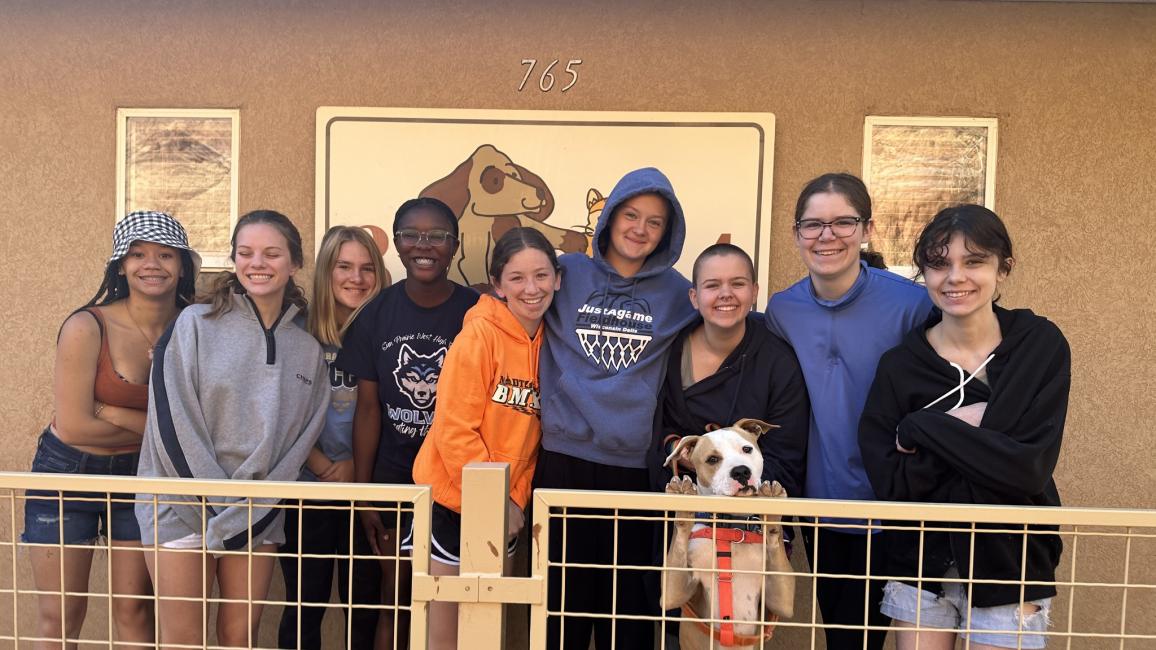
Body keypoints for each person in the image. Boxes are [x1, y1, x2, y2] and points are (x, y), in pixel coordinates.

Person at [859, 205, 1068, 650]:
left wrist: (922, 428)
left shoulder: (1038, 346)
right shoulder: (901, 367)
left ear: (1003, 268)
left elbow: (1027, 470)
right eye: (939, 264)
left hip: (1011, 562)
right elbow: (893, 484)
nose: (955, 277)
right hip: (919, 564)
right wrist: (972, 431)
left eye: (974, 261)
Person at [135, 210, 329, 649]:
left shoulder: (307, 350)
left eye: (271, 253)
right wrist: (215, 506)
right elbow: (171, 422)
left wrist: (249, 512)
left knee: (239, 637)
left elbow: (298, 446)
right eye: (246, 253)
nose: (257, 263)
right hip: (180, 506)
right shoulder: (194, 324)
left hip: (257, 515)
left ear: (295, 263)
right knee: (184, 640)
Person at [765, 173, 933, 650]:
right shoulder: (782, 310)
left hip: (896, 505)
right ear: (797, 233)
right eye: (813, 224)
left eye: (843, 222)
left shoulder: (913, 305)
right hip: (822, 505)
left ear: (867, 230)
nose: (827, 235)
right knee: (843, 634)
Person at [535, 167, 696, 650]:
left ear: (667, 233)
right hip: (563, 460)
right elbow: (512, 299)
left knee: (627, 610)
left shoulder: (678, 293)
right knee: (562, 607)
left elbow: (724, 322)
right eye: (631, 215)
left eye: (654, 222)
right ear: (609, 217)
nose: (640, 229)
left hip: (632, 466)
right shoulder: (566, 273)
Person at [23, 211, 198, 650]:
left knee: (134, 609)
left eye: (165, 255)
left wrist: (112, 412)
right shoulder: (87, 326)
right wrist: (160, 428)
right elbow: (75, 427)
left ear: (182, 266)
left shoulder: (195, 326)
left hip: (144, 476)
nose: (151, 264)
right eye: (137, 254)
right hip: (67, 474)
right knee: (61, 614)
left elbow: (201, 426)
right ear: (120, 265)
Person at [336, 197, 478, 650]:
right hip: (396, 480)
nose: (424, 245)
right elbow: (368, 410)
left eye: (437, 236)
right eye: (411, 235)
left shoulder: (477, 313)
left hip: (458, 482)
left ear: (455, 245)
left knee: (459, 604)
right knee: (396, 599)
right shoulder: (375, 314)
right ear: (396, 244)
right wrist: (364, 495)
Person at [412, 227, 562, 650]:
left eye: (541, 275)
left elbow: (531, 437)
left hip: (506, 508)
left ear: (557, 279)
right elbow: (454, 429)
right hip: (454, 503)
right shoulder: (479, 335)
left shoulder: (552, 343)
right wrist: (494, 501)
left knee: (486, 632)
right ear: (497, 284)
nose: (531, 288)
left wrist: (514, 500)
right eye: (517, 278)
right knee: (445, 636)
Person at [278, 226, 386, 650]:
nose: (356, 278)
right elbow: (278, 415)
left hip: (369, 489)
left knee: (366, 606)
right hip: (308, 488)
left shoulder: (386, 331)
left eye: (367, 268)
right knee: (304, 605)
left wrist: (358, 468)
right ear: (326, 271)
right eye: (344, 266)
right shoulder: (296, 330)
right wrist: (323, 465)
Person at [651, 243, 809, 500]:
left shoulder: (779, 363)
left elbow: (786, 452)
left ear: (754, 292)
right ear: (694, 297)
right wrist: (679, 450)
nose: (726, 294)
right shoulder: (668, 351)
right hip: (681, 501)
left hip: (754, 507)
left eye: (737, 284)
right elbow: (653, 427)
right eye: (712, 285)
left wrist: (739, 484)